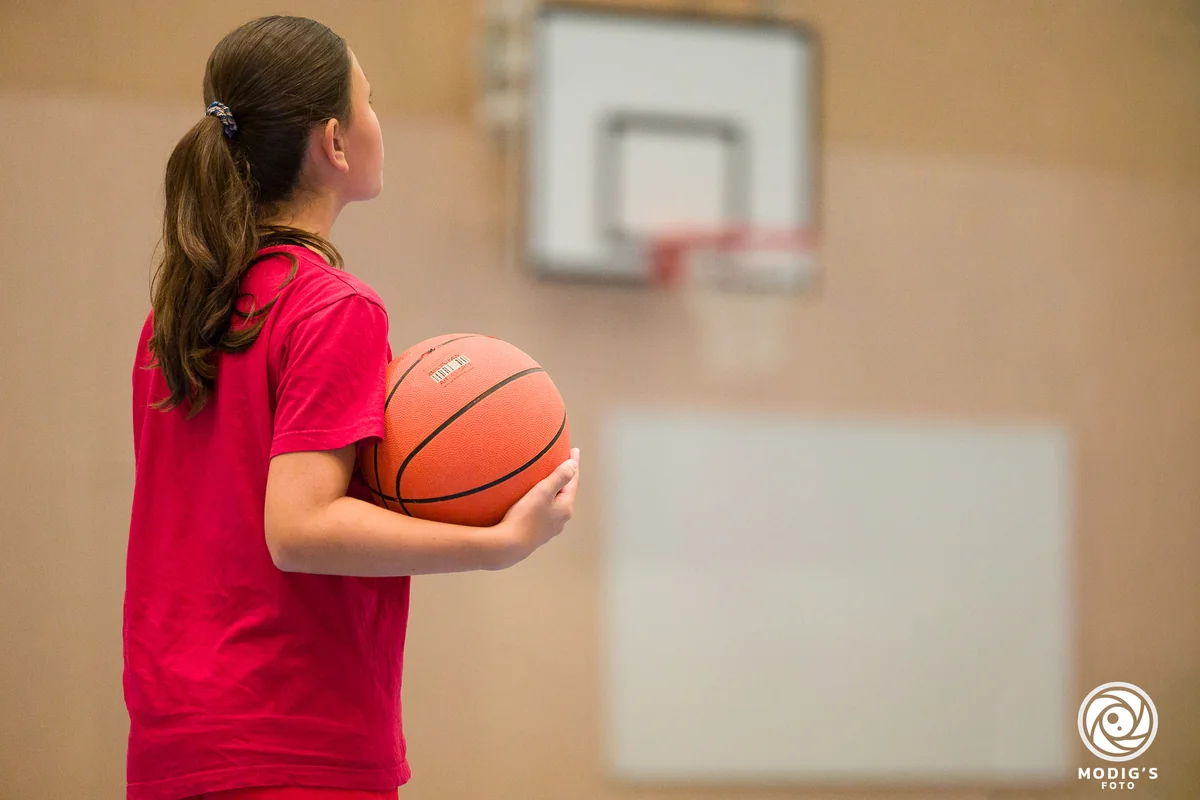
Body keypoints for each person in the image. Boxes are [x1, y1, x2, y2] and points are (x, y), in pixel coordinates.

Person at [124, 16, 580, 800]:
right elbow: (299, 529)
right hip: (293, 740)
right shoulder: (331, 308)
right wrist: (498, 542)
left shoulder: (177, 316)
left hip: (175, 738)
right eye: (370, 103)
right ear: (335, 143)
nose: (379, 123)